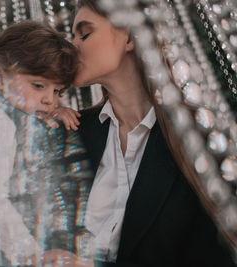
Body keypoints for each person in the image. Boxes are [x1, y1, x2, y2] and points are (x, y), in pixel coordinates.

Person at [42, 0, 236, 266]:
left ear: (130, 37)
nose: (72, 47)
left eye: (84, 34)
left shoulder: (196, 141)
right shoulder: (71, 131)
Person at [0, 20, 85, 266]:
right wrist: (27, 253)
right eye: (39, 86)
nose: (49, 100)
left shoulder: (21, 118)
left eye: (57, 92)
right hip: (5, 251)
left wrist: (52, 119)